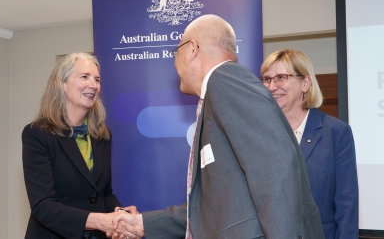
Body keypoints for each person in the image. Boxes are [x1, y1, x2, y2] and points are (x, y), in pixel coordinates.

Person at [110, 15, 324, 238]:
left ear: (192, 49)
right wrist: (142, 223)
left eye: (176, 52)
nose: (174, 62)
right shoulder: (217, 90)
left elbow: (275, 173)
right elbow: (214, 210)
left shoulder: (226, 80)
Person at [22, 53, 141, 239]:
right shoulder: (37, 134)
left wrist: (120, 213)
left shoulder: (102, 135)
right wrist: (101, 221)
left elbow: (104, 194)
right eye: (84, 77)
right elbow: (43, 206)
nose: (93, 85)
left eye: (97, 79)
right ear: (61, 84)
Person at [260, 49, 359, 239]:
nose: (272, 86)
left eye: (281, 77)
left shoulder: (336, 133)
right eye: (267, 79)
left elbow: (347, 206)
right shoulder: (258, 134)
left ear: (305, 83)